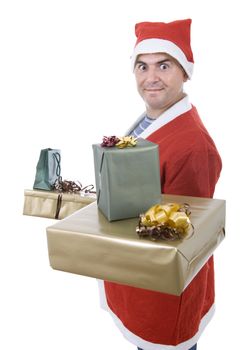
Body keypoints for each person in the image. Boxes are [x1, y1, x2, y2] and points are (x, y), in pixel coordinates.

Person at [98, 19, 222, 350]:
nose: (150, 77)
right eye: (142, 66)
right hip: (136, 283)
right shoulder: (149, 121)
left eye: (163, 65)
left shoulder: (193, 145)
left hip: (165, 299)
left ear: (185, 73)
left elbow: (183, 242)